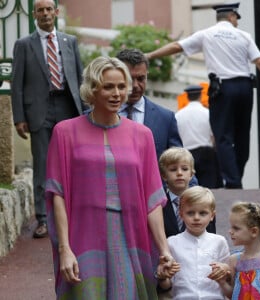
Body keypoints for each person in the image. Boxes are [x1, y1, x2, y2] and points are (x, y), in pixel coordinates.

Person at [45, 56, 177, 299]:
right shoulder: (64, 132)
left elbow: (153, 200)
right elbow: (58, 196)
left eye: (121, 86)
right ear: (92, 89)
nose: (117, 93)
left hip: (131, 237)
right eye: (108, 86)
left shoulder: (142, 135)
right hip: (83, 236)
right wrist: (65, 248)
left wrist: (163, 249)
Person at [146, 2, 260, 189]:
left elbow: (177, 46)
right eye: (236, 19)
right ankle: (237, 176)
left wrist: (150, 56)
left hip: (223, 89)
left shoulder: (207, 34)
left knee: (223, 136)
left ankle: (234, 182)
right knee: (243, 135)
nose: (236, 23)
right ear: (232, 16)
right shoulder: (244, 36)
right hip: (244, 87)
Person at [11, 0, 85, 238]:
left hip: (68, 106)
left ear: (56, 12)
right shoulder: (24, 45)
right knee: (42, 165)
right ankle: (43, 219)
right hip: (39, 111)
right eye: (40, 10)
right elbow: (17, 84)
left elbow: (81, 78)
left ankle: (73, 216)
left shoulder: (69, 41)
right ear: (35, 15)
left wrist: (86, 111)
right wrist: (19, 117)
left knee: (72, 163)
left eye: (48, 9)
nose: (45, 13)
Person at [156, 186, 230, 299]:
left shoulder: (219, 242)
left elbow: (229, 278)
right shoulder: (171, 243)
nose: (196, 217)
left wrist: (225, 269)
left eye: (203, 213)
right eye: (190, 213)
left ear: (212, 215)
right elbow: (167, 285)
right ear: (181, 214)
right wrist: (163, 277)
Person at [159, 147, 216, 236]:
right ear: (164, 175)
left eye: (184, 169)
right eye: (173, 169)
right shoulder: (159, 205)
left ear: (191, 174)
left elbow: (211, 237)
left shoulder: (204, 202)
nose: (179, 173)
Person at [175, 85, 223, 188]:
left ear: (187, 97)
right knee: (208, 188)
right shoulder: (208, 113)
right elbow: (214, 136)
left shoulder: (178, 115)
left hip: (186, 154)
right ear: (200, 96)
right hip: (206, 154)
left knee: (190, 188)